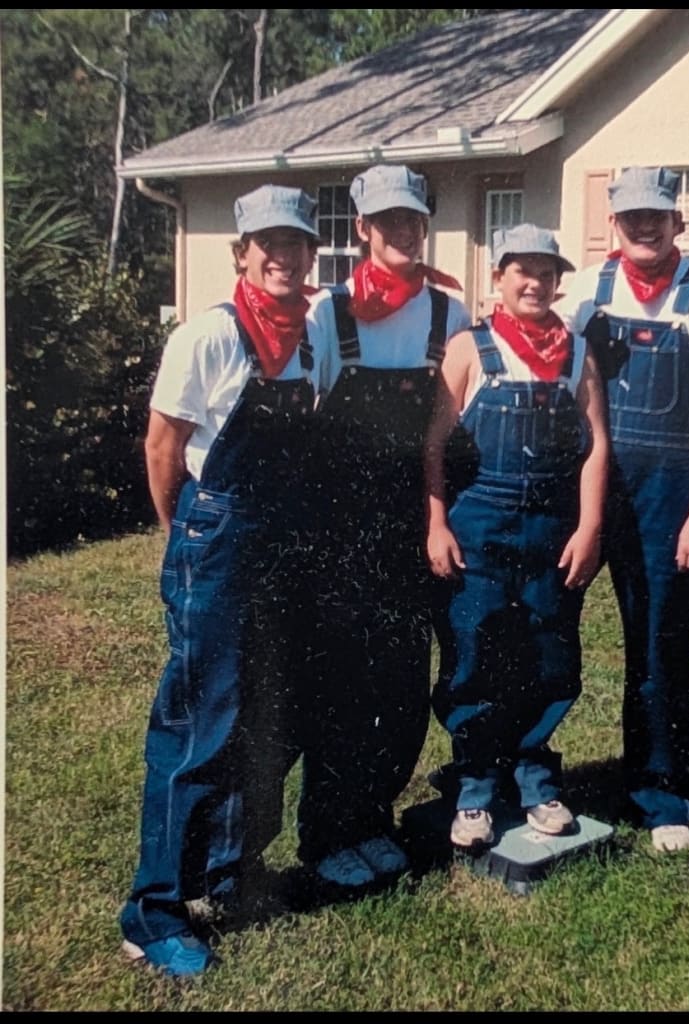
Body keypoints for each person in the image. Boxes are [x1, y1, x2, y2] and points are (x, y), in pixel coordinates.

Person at [120, 185, 339, 977]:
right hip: (217, 536)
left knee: (265, 712)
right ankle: (154, 911)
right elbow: (161, 447)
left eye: (298, 244)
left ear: (313, 254)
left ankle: (227, 874)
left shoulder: (316, 338)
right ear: (243, 253)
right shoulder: (207, 336)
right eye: (268, 244)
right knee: (198, 723)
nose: (284, 256)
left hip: (282, 537)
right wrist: (187, 534)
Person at [557, 166, 689, 852]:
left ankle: (661, 792)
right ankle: (533, 782)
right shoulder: (584, 292)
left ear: (678, 223)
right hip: (589, 484)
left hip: (672, 493)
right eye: (630, 216)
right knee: (549, 630)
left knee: (660, 643)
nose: (644, 227)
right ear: (613, 223)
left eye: (656, 216)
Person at [297, 164, 473, 885]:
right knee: (342, 679)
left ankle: (376, 815)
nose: (403, 231)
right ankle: (327, 830)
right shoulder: (327, 314)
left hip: (414, 519)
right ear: (362, 228)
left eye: (413, 219)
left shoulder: (447, 315)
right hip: (340, 523)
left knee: (402, 681)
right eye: (387, 220)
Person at [425, 223, 609, 848]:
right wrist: (437, 521)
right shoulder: (469, 349)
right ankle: (474, 786)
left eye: (546, 271)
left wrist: (589, 527)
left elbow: (596, 446)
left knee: (547, 655)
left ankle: (534, 777)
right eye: (520, 270)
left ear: (559, 282)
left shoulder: (578, 353)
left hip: (553, 531)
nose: (534, 282)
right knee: (474, 651)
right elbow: (433, 444)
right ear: (498, 278)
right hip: (480, 523)